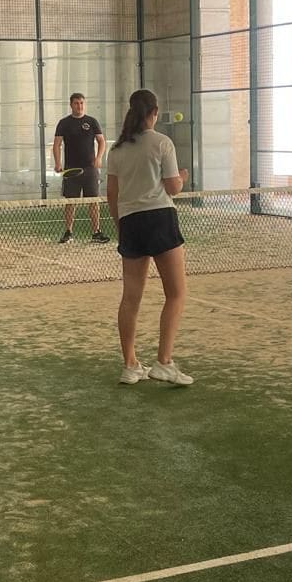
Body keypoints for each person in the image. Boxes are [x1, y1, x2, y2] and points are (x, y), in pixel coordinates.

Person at [105, 88, 192, 387]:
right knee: (177, 293)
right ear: (154, 113)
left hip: (131, 223)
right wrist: (182, 177)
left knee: (131, 298)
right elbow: (173, 188)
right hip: (160, 219)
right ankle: (164, 362)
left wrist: (121, 226)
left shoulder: (117, 150)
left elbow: (112, 194)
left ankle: (130, 366)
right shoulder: (162, 143)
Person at [52, 92, 110, 244]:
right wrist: (58, 163)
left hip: (90, 169)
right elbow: (57, 144)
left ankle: (96, 232)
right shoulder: (64, 123)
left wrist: (99, 158)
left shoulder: (92, 121)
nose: (79, 106)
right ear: (71, 105)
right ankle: (68, 232)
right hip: (71, 169)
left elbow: (102, 141)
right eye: (76, 103)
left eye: (82, 103)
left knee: (93, 200)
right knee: (70, 201)